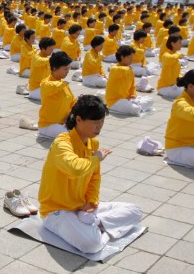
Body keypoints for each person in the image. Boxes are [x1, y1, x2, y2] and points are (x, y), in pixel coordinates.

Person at [38, 95, 144, 254]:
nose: (99, 127)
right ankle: (102, 229)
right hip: (58, 212)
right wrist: (96, 158)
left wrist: (92, 202)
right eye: (95, 122)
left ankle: (98, 222)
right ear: (79, 120)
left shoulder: (92, 143)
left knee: (136, 211)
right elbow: (75, 169)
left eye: (102, 121)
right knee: (92, 246)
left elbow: (94, 177)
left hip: (83, 208)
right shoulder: (62, 143)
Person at [105, 46, 154, 116]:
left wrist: (133, 95)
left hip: (127, 99)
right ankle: (137, 106)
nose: (132, 60)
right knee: (135, 109)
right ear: (122, 57)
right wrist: (129, 69)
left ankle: (137, 105)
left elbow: (132, 86)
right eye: (130, 58)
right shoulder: (114, 69)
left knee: (150, 100)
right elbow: (123, 70)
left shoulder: (129, 70)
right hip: (115, 101)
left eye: (132, 58)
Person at [37, 51, 75, 139]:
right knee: (71, 138)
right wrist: (63, 84)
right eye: (65, 69)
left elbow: (73, 102)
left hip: (64, 123)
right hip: (48, 125)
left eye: (68, 69)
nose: (67, 72)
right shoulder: (46, 83)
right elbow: (53, 86)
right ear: (54, 68)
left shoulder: (63, 84)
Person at [156, 34, 185, 100]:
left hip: (173, 85)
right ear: (172, 44)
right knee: (187, 92)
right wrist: (179, 54)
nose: (181, 45)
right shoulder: (166, 55)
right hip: (164, 88)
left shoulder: (175, 55)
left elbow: (176, 73)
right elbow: (171, 58)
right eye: (179, 43)